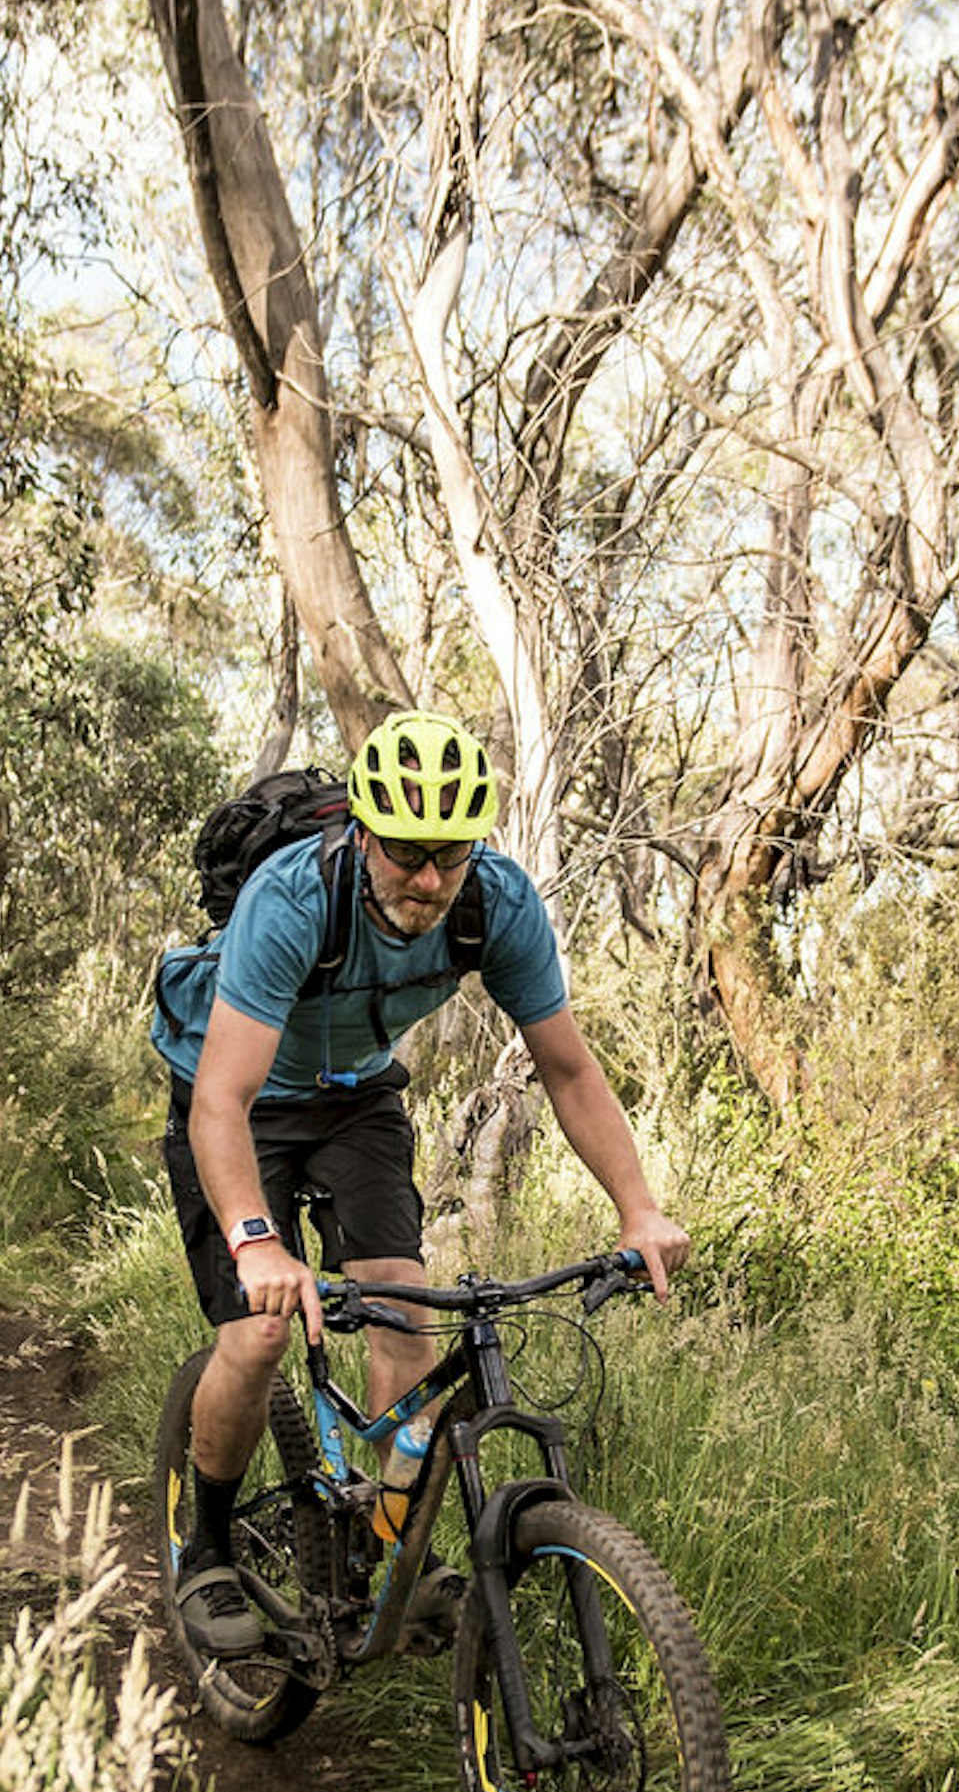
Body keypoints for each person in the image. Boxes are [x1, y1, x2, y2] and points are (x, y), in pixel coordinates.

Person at [149, 709, 688, 1659]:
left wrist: (638, 1207)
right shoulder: (292, 899)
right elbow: (221, 1102)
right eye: (406, 851)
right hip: (241, 1098)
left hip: (357, 1098)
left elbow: (568, 1069)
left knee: (405, 1313)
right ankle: (209, 1548)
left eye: (450, 853)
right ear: (363, 833)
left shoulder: (498, 904)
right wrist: (256, 1241)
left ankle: (391, 1561)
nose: (430, 879)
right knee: (259, 1329)